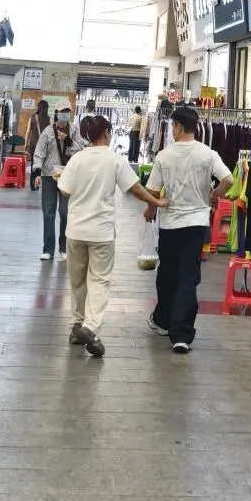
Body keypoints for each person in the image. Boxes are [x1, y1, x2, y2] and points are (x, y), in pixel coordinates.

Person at [57, 114, 167, 358]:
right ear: (106, 133)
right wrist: (156, 201)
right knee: (99, 280)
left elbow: (63, 190)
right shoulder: (114, 160)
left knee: (77, 280)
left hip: (75, 230)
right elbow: (135, 188)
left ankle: (77, 325)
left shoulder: (77, 159)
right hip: (101, 232)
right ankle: (90, 327)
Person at [145, 105, 233, 354]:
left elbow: (153, 190)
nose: (172, 130)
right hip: (196, 224)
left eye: (173, 125)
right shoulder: (208, 154)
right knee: (188, 277)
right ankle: (182, 335)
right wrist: (215, 194)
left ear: (179, 126)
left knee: (167, 274)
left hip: (170, 224)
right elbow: (229, 179)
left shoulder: (164, 155)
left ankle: (163, 321)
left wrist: (150, 210)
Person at [32, 104, 81, 261]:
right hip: (49, 175)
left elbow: (80, 150)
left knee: (65, 213)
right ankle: (48, 249)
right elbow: (39, 152)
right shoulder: (48, 131)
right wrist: (37, 172)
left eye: (67, 111)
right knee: (48, 212)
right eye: (62, 111)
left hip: (68, 175)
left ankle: (64, 247)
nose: (65, 114)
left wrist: (67, 140)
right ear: (57, 113)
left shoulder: (74, 130)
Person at [23, 98, 49, 182]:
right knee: (43, 164)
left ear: (38, 107)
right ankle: (41, 182)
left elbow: (28, 132)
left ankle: (33, 184)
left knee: (33, 164)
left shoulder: (32, 118)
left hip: (33, 145)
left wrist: (26, 144)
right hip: (44, 146)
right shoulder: (48, 119)